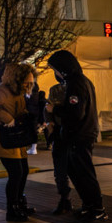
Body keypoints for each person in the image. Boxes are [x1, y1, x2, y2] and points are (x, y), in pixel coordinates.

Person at [47, 50, 106, 222]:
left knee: (84, 173)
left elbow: (75, 113)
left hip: (79, 135)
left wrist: (54, 109)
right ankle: (89, 206)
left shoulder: (76, 83)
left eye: (56, 69)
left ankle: (97, 207)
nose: (55, 74)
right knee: (78, 173)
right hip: (79, 134)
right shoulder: (82, 81)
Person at [0, 64, 36, 222]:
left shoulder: (18, 90)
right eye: (26, 82)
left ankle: (19, 204)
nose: (28, 85)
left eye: (30, 82)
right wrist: (6, 117)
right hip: (4, 136)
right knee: (16, 173)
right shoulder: (3, 90)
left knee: (22, 171)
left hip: (16, 136)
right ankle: (12, 209)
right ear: (17, 78)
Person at [44, 71, 72, 214]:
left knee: (71, 168)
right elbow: (47, 109)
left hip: (72, 132)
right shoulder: (55, 89)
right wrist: (49, 122)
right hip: (60, 133)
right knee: (60, 169)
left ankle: (87, 202)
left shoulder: (75, 88)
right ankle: (64, 198)